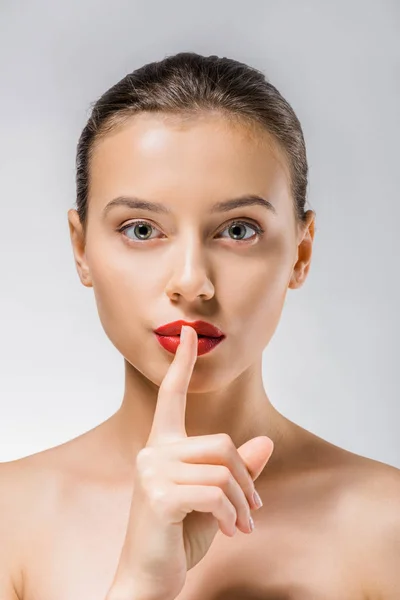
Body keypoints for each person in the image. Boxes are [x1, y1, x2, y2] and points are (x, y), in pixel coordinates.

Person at [0, 51, 399, 600]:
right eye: (141, 230)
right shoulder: (9, 521)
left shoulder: (387, 526)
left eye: (238, 230)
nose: (192, 282)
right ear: (81, 247)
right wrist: (140, 584)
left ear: (301, 252)